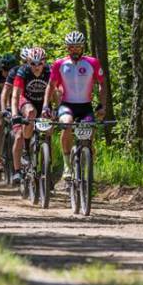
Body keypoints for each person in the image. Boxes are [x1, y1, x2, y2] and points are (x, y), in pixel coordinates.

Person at [42, 32, 105, 180]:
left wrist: (103, 105)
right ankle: (66, 166)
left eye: (78, 47)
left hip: (86, 106)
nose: (75, 50)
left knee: (89, 137)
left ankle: (87, 162)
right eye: (72, 47)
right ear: (67, 48)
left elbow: (102, 84)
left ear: (82, 47)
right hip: (67, 105)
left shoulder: (92, 62)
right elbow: (51, 86)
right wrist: (46, 105)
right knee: (67, 123)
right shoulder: (60, 64)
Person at [10, 47, 51, 183]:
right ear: (28, 62)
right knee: (30, 113)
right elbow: (15, 94)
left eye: (40, 63)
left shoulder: (49, 71)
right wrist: (15, 114)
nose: (37, 67)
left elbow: (56, 92)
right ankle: (26, 150)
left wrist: (58, 108)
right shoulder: (23, 71)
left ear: (44, 62)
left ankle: (47, 170)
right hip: (26, 101)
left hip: (43, 103)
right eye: (33, 63)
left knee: (49, 130)